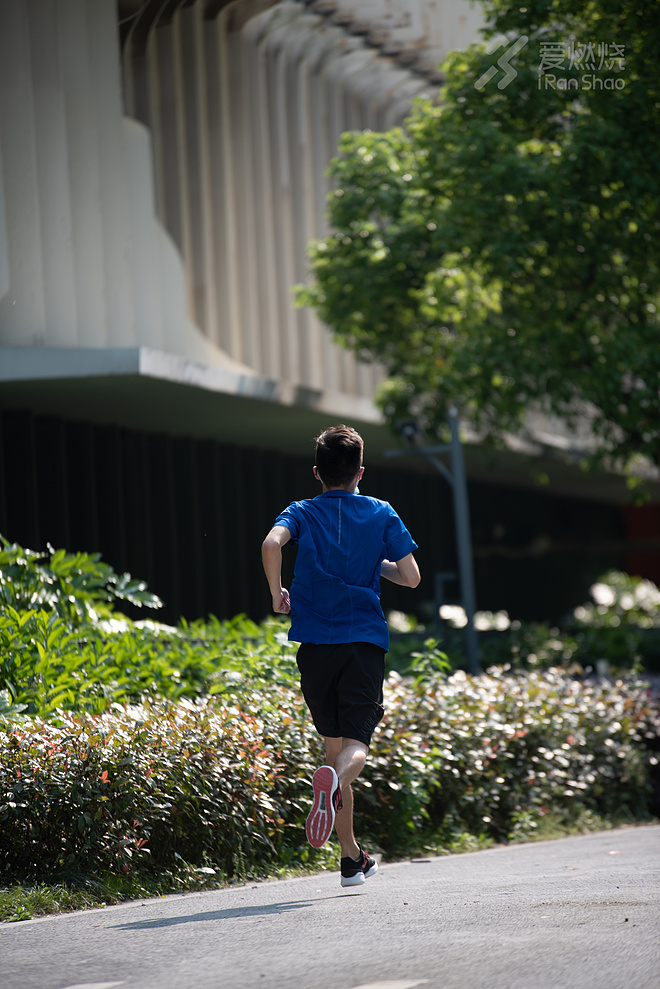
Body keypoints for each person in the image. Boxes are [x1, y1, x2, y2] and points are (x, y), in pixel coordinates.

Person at [261, 424, 420, 887]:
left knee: (334, 747)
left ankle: (351, 859)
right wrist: (377, 564)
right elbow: (411, 577)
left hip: (314, 645)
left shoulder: (302, 511)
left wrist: (276, 594)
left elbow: (272, 543)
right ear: (360, 472)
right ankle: (332, 785)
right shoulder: (381, 512)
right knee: (356, 746)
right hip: (363, 641)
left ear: (317, 472)